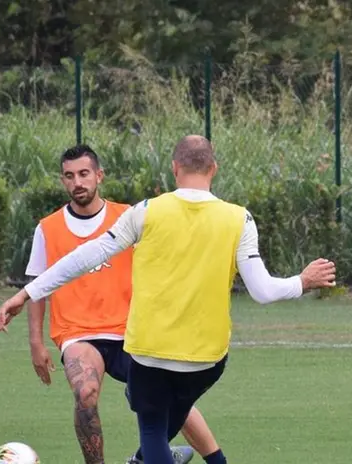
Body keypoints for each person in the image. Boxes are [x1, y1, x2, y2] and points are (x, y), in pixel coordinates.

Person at [0, 135, 337, 464]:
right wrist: (302, 281)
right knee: (173, 418)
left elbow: (85, 257)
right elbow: (262, 291)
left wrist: (27, 293)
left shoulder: (145, 212)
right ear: (213, 169)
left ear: (174, 169)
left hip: (150, 353)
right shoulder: (239, 218)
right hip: (207, 359)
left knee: (154, 430)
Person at [17, 144, 221, 464]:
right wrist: (35, 343)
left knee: (170, 399)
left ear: (99, 176)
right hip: (78, 334)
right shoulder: (48, 228)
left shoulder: (130, 216)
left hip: (131, 330)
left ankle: (212, 459)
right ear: (62, 181)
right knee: (85, 393)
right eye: (69, 176)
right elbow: (38, 287)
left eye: (84, 174)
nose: (77, 182)